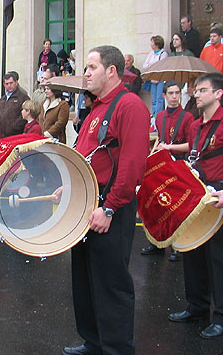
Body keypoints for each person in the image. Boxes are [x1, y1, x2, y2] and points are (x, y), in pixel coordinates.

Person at [62, 46, 149, 355]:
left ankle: (116, 348)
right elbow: (84, 159)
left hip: (110, 204)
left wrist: (110, 207)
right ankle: (94, 342)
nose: (85, 73)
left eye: (91, 67)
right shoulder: (96, 109)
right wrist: (69, 190)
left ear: (112, 71)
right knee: (85, 279)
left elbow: (131, 164)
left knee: (111, 283)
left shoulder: (130, 106)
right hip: (87, 201)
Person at [167, 72, 223, 339]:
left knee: (220, 258)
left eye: (201, 90)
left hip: (220, 195)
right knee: (192, 251)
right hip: (198, 194)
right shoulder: (194, 125)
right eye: (196, 90)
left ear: (218, 94)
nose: (196, 94)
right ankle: (197, 306)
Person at [141, 81, 195, 261]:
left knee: (177, 206)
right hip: (162, 165)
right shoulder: (160, 116)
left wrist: (170, 147)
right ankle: (157, 242)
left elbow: (191, 145)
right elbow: (159, 139)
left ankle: (177, 245)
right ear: (163, 96)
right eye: (170, 93)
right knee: (158, 204)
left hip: (178, 164)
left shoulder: (187, 117)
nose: (174, 97)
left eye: (177, 93)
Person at [142, 35, 169, 117]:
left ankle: (158, 115)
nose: (151, 44)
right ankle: (154, 115)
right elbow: (145, 65)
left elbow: (161, 65)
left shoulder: (163, 53)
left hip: (160, 78)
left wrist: (151, 65)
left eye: (152, 42)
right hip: (153, 79)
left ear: (157, 44)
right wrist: (152, 64)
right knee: (153, 100)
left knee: (159, 99)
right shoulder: (151, 54)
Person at [0, 72, 30, 137]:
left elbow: (27, 115)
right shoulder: (2, 99)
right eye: (7, 84)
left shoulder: (23, 97)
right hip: (1, 135)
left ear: (16, 83)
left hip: (16, 135)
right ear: (4, 84)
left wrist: (14, 126)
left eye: (11, 83)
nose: (9, 85)